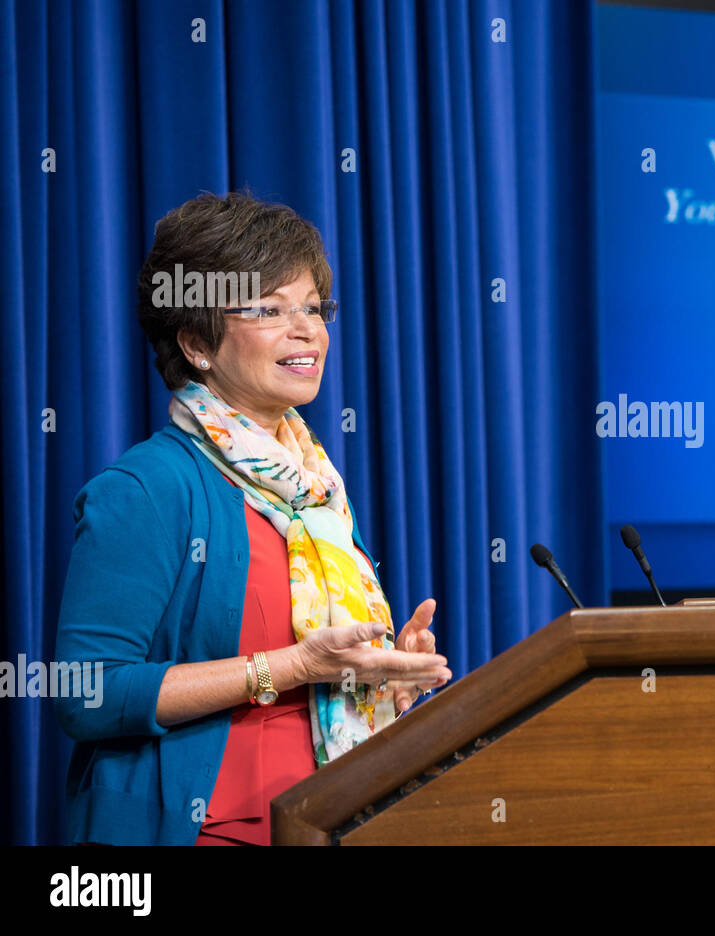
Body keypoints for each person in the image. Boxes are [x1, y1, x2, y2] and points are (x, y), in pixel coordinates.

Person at [53, 191, 452, 845]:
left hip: (331, 825)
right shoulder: (148, 487)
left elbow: (316, 693)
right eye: (270, 309)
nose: (308, 330)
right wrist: (292, 668)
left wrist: (379, 681)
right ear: (196, 342)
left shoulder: (315, 491)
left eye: (314, 308)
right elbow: (86, 693)